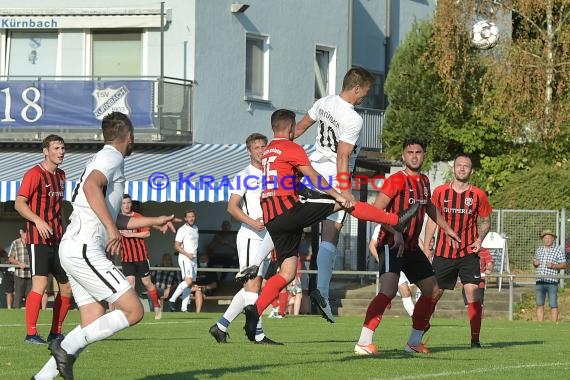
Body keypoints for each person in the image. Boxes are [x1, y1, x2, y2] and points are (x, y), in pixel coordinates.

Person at [243, 109, 419, 342]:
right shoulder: (292, 148)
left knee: (286, 274)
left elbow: (286, 180)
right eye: (295, 127)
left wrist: (302, 190)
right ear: (289, 127)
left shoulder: (267, 153)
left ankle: (254, 312)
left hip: (272, 218)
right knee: (346, 203)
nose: (297, 131)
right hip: (288, 211)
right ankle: (396, 220)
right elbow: (314, 176)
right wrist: (337, 194)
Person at [31, 111, 178, 380]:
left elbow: (113, 214)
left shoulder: (105, 157)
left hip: (75, 246)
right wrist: (112, 229)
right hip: (85, 247)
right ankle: (63, 346)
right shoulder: (112, 157)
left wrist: (154, 219)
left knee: (93, 317)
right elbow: (90, 187)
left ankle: (41, 377)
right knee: (133, 311)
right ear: (130, 137)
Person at [353, 137, 460, 356]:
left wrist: (447, 229)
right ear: (403, 156)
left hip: (411, 247)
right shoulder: (396, 180)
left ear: (423, 155)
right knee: (389, 290)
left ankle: (413, 342)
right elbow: (376, 210)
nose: (414, 156)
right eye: (410, 152)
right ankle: (363, 342)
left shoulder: (424, 182)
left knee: (433, 290)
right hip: (391, 244)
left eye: (418, 152)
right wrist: (396, 232)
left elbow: (429, 206)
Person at [294, 67, 376, 323]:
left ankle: (255, 264)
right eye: (365, 92)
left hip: (312, 167)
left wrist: (281, 149)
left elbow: (298, 129)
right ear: (356, 89)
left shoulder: (324, 101)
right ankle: (323, 291)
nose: (365, 97)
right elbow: (342, 155)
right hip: (333, 174)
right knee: (331, 233)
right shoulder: (353, 118)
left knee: (291, 222)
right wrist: (344, 189)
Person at [210, 132, 281, 345]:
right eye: (256, 147)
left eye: (263, 146)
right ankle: (257, 333)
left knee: (252, 287)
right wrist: (252, 222)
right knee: (253, 286)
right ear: (249, 151)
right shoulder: (243, 175)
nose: (261, 150)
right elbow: (231, 206)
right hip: (251, 236)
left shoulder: (274, 174)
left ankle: (220, 326)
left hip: (268, 237)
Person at [423, 154, 492, 348]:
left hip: (468, 252)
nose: (462, 169)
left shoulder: (478, 195)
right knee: (434, 293)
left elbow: (486, 221)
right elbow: (432, 219)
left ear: (472, 171)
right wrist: (428, 245)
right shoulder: (440, 192)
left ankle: (475, 340)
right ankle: (420, 328)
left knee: (472, 292)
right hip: (444, 253)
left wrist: (479, 239)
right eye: (459, 165)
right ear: (453, 168)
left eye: (466, 166)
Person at [15, 134, 73, 344]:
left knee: (67, 287)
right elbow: (19, 204)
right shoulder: (34, 174)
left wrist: (67, 231)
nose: (61, 152)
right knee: (40, 284)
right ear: (45, 151)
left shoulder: (62, 175)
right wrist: (38, 221)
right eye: (56, 148)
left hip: (58, 239)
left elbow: (58, 211)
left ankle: (55, 332)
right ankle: (31, 334)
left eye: (63, 148)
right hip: (38, 239)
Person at [119, 194, 161, 319]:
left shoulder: (137, 217)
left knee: (147, 282)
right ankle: (131, 311)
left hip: (140, 256)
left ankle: (157, 306)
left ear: (131, 204)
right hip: (126, 257)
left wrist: (130, 235)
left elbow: (147, 233)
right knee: (130, 282)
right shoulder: (117, 218)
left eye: (128, 203)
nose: (126, 205)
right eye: (124, 203)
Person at [369, 224, 415, 317]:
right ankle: (417, 319)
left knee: (407, 291)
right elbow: (371, 245)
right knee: (405, 291)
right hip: (392, 262)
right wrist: (381, 260)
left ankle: (389, 295)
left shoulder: (408, 224)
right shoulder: (381, 226)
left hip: (405, 262)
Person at [533, 229, 567, 323]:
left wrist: (554, 266)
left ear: (553, 239)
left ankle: (553, 324)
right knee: (539, 303)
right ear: (543, 239)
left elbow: (564, 264)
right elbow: (535, 263)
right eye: (545, 238)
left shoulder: (558, 250)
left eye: (549, 238)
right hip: (540, 280)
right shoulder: (539, 250)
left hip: (552, 281)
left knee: (553, 304)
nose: (547, 239)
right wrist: (535, 263)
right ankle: (540, 324)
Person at [168, 210, 199, 312]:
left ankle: (184, 308)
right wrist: (187, 255)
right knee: (188, 281)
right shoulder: (182, 229)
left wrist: (193, 256)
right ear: (185, 218)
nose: (191, 218)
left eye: (192, 216)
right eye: (189, 217)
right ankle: (172, 300)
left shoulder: (196, 228)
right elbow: (176, 246)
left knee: (190, 284)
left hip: (194, 259)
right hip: (185, 257)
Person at [7, 229, 32, 309]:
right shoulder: (15, 243)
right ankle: (15, 314)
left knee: (30, 296)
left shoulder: (32, 243)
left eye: (27, 233)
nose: (26, 235)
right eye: (24, 233)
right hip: (19, 274)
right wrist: (19, 263)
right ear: (21, 233)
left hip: (31, 274)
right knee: (18, 296)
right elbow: (10, 258)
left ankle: (30, 313)